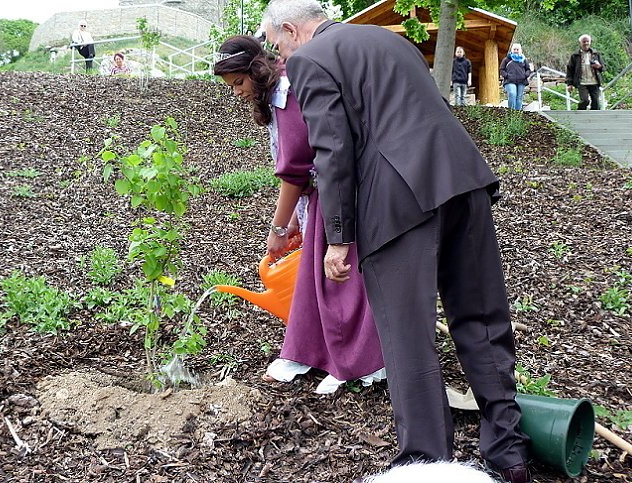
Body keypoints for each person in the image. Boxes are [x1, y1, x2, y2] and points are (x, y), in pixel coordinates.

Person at [261, 1, 532, 482]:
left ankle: (427, 463)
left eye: (277, 44)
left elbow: (333, 150)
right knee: (482, 317)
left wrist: (338, 240)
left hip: (398, 200)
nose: (279, 55)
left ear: (289, 28)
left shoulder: (309, 59)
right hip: (461, 178)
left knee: (408, 336)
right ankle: (509, 455)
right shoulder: (391, 39)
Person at [213, 35, 386, 395]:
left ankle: (361, 363)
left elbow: (295, 168)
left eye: (239, 83)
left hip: (338, 190)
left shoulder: (288, 93)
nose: (237, 92)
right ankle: (305, 350)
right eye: (231, 87)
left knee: (340, 276)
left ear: (256, 71)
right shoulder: (277, 96)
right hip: (322, 192)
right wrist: (294, 220)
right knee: (313, 274)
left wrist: (278, 227)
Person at [566, 34, 604, 110]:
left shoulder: (596, 54)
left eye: (587, 41)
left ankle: (594, 119)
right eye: (584, 42)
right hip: (582, 82)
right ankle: (579, 114)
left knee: (596, 102)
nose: (586, 43)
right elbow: (570, 69)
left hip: (594, 82)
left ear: (590, 42)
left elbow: (603, 67)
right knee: (585, 100)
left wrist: (599, 66)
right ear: (580, 43)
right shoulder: (575, 56)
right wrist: (569, 84)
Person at [499, 43, 531, 110]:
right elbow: (501, 69)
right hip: (509, 80)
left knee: (519, 97)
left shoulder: (524, 60)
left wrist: (525, 75)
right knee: (512, 94)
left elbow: (528, 69)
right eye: (514, 49)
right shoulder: (507, 59)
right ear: (512, 50)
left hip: (521, 81)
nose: (516, 51)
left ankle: (517, 113)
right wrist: (507, 75)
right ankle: (511, 111)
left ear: (520, 50)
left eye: (517, 49)